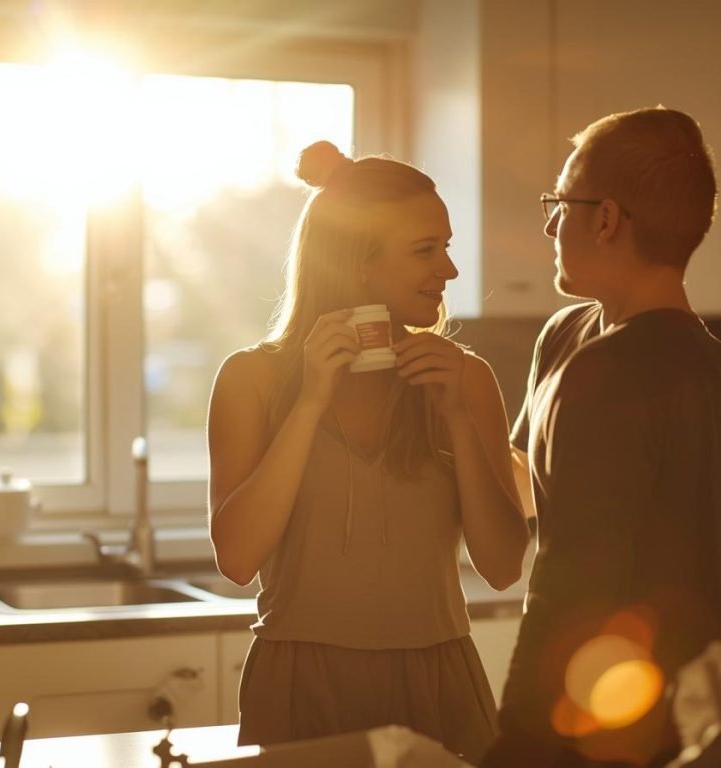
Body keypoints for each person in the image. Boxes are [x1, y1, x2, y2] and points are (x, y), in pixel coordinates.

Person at [207, 140, 530, 761]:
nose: (450, 271)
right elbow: (238, 557)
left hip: (439, 684)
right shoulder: (251, 379)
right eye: (425, 250)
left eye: (447, 247)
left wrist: (457, 419)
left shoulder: (463, 379)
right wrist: (308, 403)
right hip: (299, 686)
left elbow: (502, 565)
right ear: (356, 262)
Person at [483, 106, 721, 768]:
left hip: (611, 727)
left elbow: (569, 585)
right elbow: (530, 494)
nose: (553, 222)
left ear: (607, 218)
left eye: (561, 200)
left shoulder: (604, 373)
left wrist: (518, 744)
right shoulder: (568, 337)